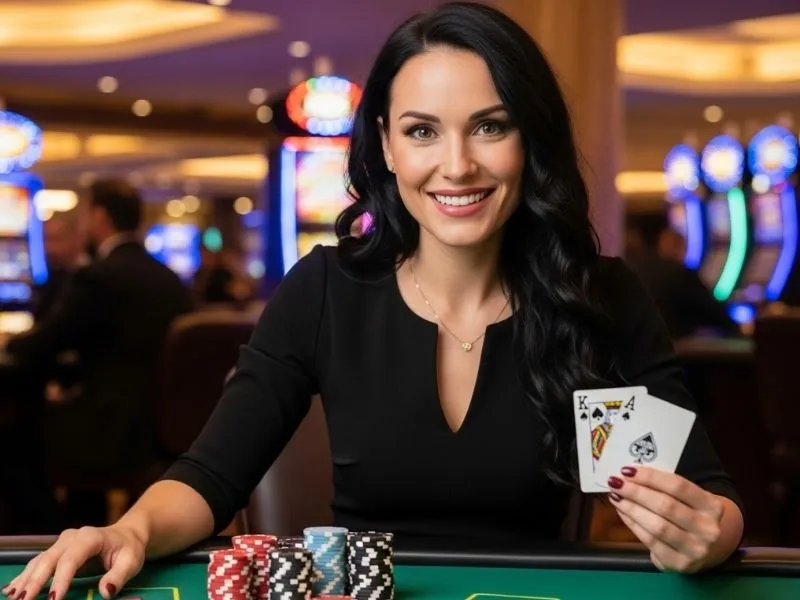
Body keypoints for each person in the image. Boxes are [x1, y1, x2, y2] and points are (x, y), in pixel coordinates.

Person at [4, 3, 744, 599]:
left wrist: (712, 530)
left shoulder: (596, 298)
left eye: (490, 126)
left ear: (531, 140)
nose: (457, 165)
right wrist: (129, 530)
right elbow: (209, 476)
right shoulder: (329, 288)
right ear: (387, 148)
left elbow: (707, 494)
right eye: (423, 131)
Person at [4, 179, 194, 528]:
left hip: (110, 431)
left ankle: (40, 536)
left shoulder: (98, 276)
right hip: (163, 431)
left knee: (14, 434)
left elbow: (47, 341)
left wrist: (8, 342)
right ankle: (78, 524)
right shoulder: (170, 279)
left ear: (99, 216)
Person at [627, 220, 741, 339]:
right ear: (663, 237)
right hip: (677, 352)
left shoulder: (629, 271)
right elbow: (719, 318)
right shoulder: (677, 273)